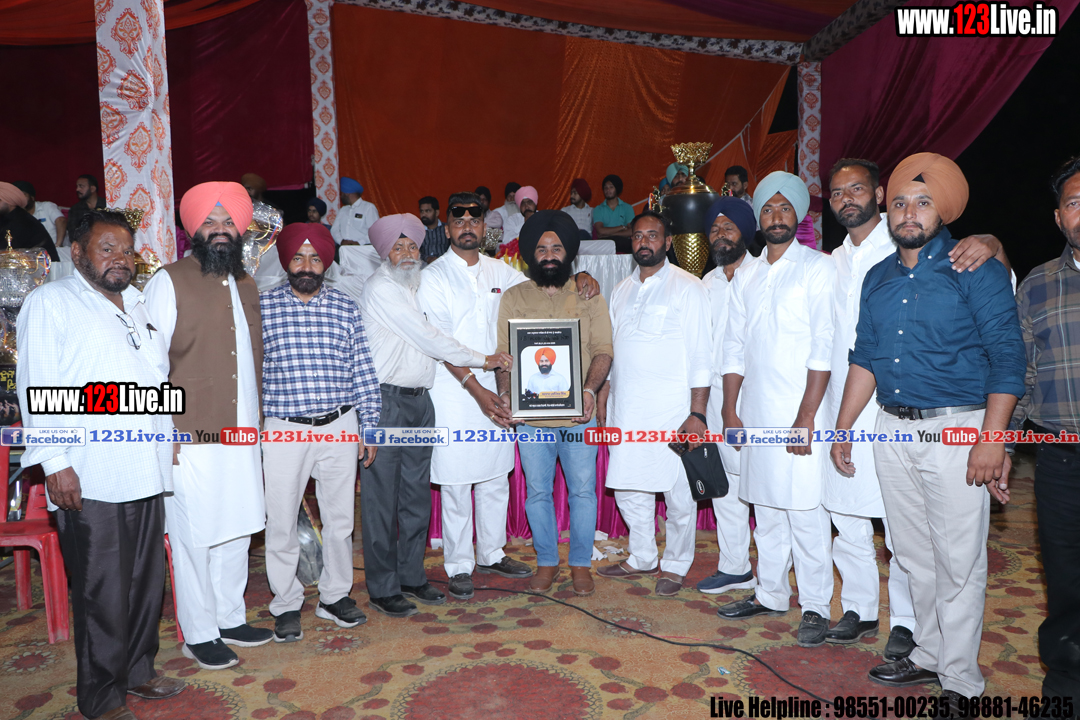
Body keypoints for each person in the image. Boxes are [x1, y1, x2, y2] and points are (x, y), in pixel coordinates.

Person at [831, 153, 1025, 699]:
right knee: (913, 555)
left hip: (957, 430)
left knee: (959, 561)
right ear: (887, 211)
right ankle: (930, 653)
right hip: (891, 429)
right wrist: (844, 427)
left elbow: (1008, 356)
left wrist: (994, 438)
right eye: (899, 203)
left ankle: (960, 681)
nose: (909, 212)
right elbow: (865, 356)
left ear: (943, 211)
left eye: (922, 202)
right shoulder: (878, 277)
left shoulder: (976, 267)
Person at [17, 210, 186, 720]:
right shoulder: (52, 302)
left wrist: (168, 435)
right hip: (90, 472)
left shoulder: (137, 303)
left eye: (127, 250)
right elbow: (38, 387)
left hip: (145, 467)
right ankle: (102, 697)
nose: (120, 259)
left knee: (144, 582)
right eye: (107, 249)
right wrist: (54, 462)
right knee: (101, 590)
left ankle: (138, 670)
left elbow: (154, 379)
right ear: (77, 253)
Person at [417, 192, 598, 600]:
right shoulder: (434, 277)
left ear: (485, 227)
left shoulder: (502, 272)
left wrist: (582, 276)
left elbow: (548, 281)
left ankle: (492, 552)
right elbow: (440, 344)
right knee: (457, 481)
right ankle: (459, 564)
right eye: (459, 220)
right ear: (447, 228)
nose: (467, 227)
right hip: (457, 390)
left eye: (474, 220)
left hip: (502, 390)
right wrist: (476, 389)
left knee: (496, 476)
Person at [144, 181, 272, 670]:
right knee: (195, 532)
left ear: (240, 230)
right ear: (193, 230)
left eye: (228, 222)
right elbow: (152, 364)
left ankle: (230, 618)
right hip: (189, 431)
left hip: (241, 430)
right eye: (210, 222)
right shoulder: (169, 281)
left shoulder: (246, 282)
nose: (220, 230)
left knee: (238, 524)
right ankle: (199, 633)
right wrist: (164, 431)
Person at [361, 213, 508, 616]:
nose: (408, 253)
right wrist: (484, 360)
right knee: (381, 500)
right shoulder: (382, 288)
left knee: (414, 495)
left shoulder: (415, 284)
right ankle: (383, 587)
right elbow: (430, 338)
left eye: (413, 245)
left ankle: (411, 576)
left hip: (420, 402)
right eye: (398, 247)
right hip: (386, 403)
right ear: (384, 252)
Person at [715, 172, 837, 649]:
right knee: (765, 508)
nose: (776, 216)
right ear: (759, 219)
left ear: (799, 215)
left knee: (804, 511)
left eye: (785, 208)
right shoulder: (746, 275)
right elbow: (733, 347)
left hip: (802, 411)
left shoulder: (817, 267)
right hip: (755, 411)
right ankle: (770, 593)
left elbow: (824, 346)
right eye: (768, 208)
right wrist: (729, 409)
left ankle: (815, 605)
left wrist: (806, 416)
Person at [260, 222, 381, 642]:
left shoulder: (346, 307)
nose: (307, 266)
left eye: (315, 258)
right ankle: (286, 602)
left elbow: (363, 369)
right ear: (286, 262)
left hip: (339, 424)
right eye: (298, 257)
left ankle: (334, 596)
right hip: (283, 427)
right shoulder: (263, 307)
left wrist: (370, 426)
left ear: (326, 263)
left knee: (340, 520)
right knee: (280, 521)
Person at [495, 210, 613, 596]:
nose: (549, 255)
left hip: (579, 416)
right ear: (532, 254)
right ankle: (546, 560)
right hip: (531, 421)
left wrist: (589, 391)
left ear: (568, 253)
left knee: (583, 492)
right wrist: (508, 396)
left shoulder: (588, 294)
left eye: (557, 248)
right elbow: (504, 356)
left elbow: (603, 350)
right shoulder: (513, 298)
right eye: (542, 249)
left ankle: (580, 563)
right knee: (537, 493)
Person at [597, 210, 710, 596]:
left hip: (673, 410)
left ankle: (676, 564)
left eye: (652, 235)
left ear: (667, 242)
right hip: (627, 408)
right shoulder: (620, 290)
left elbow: (701, 354)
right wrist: (605, 397)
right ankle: (642, 555)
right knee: (628, 485)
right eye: (638, 236)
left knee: (678, 494)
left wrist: (697, 413)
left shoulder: (688, 286)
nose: (644, 242)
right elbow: (612, 352)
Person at [1011, 155, 1080, 713]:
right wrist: (1003, 445)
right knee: (1065, 577)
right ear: (1059, 217)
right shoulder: (1037, 285)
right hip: (1061, 458)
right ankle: (1065, 688)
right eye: (1074, 202)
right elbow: (1022, 376)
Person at [695, 197, 758, 596]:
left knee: (762, 485)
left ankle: (777, 572)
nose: (720, 235)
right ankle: (736, 567)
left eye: (728, 228)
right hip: (717, 397)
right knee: (725, 485)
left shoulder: (763, 274)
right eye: (714, 230)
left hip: (759, 396)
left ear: (745, 232)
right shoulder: (706, 284)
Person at [0, 182, 59, 260]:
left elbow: (6, 252)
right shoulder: (6, 218)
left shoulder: (22, 221)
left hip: (43, 266)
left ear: (11, 202)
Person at [13, 181, 66, 246]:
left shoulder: (46, 206)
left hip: (56, 248)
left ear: (32, 197)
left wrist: (58, 244)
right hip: (33, 251)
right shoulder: (16, 215)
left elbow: (61, 220)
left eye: (23, 195)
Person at [331, 177, 379, 247]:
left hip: (363, 249)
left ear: (347, 194)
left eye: (342, 194)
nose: (341, 196)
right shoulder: (343, 210)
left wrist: (359, 242)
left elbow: (375, 232)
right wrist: (341, 241)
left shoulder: (368, 207)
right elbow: (334, 229)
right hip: (344, 249)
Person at [592, 174, 635, 252]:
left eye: (611, 187)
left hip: (623, 242)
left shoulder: (627, 207)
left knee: (633, 245)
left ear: (617, 189)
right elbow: (600, 231)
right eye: (605, 187)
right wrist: (621, 227)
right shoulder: (598, 209)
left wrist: (611, 234)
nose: (608, 190)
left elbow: (632, 231)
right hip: (605, 243)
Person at [67, 174, 108, 243]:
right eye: (77, 186)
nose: (77, 189)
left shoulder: (107, 205)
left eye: (81, 186)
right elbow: (73, 234)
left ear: (92, 189)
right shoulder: (75, 209)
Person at [419, 196, 448, 262]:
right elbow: (414, 252)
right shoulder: (417, 231)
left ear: (437, 213)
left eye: (428, 211)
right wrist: (427, 258)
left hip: (445, 263)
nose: (424, 214)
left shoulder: (447, 229)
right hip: (424, 265)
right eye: (421, 211)